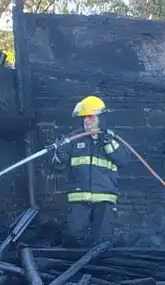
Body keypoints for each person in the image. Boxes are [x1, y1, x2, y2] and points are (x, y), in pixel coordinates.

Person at [54, 95, 131, 246]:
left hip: (104, 198)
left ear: (100, 118)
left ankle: (99, 268)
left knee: (102, 240)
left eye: (90, 117)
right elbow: (58, 167)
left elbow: (123, 160)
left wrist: (108, 144)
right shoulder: (73, 139)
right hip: (78, 198)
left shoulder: (112, 140)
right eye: (84, 118)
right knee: (73, 237)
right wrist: (59, 156)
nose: (86, 121)